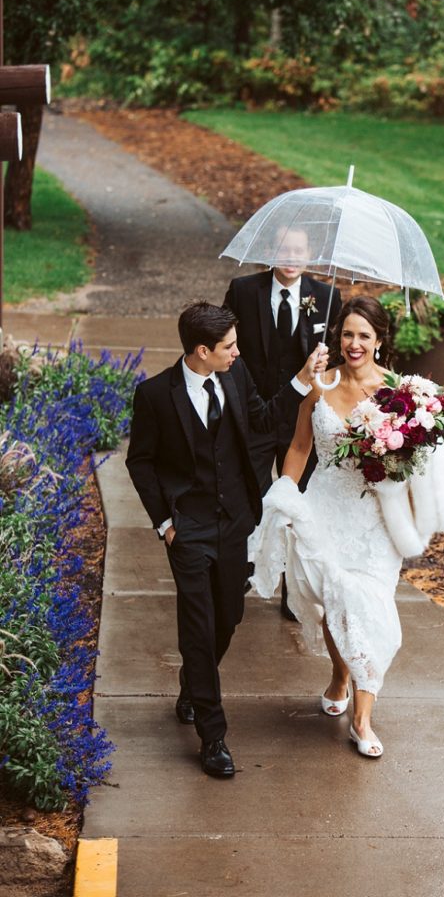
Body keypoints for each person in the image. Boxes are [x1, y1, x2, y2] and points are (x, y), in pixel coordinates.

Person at [125, 301, 328, 778]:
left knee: (229, 617)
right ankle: (212, 736)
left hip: (235, 521)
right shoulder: (154, 395)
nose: (238, 353)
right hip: (188, 529)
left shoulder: (234, 378)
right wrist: (164, 523)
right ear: (201, 350)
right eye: (229, 347)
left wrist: (302, 378)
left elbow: (263, 421)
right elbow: (141, 462)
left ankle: (194, 682)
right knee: (198, 627)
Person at [249, 296, 441, 759]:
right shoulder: (320, 382)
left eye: (364, 336)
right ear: (338, 335)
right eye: (347, 334)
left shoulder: (402, 394)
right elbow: (298, 447)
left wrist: (394, 462)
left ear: (379, 341)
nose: (354, 344)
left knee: (370, 606)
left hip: (375, 517)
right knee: (333, 596)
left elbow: (417, 460)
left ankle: (362, 716)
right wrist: (285, 494)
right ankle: (340, 674)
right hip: (326, 507)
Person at [223, 227, 342, 618]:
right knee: (247, 490)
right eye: (283, 249)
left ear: (309, 256)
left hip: (301, 418)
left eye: (298, 250)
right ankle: (240, 569)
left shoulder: (326, 298)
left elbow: (341, 352)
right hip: (255, 412)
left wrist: (325, 362)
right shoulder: (243, 291)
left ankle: (296, 589)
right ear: (270, 252)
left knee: (300, 499)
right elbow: (230, 348)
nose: (290, 257)